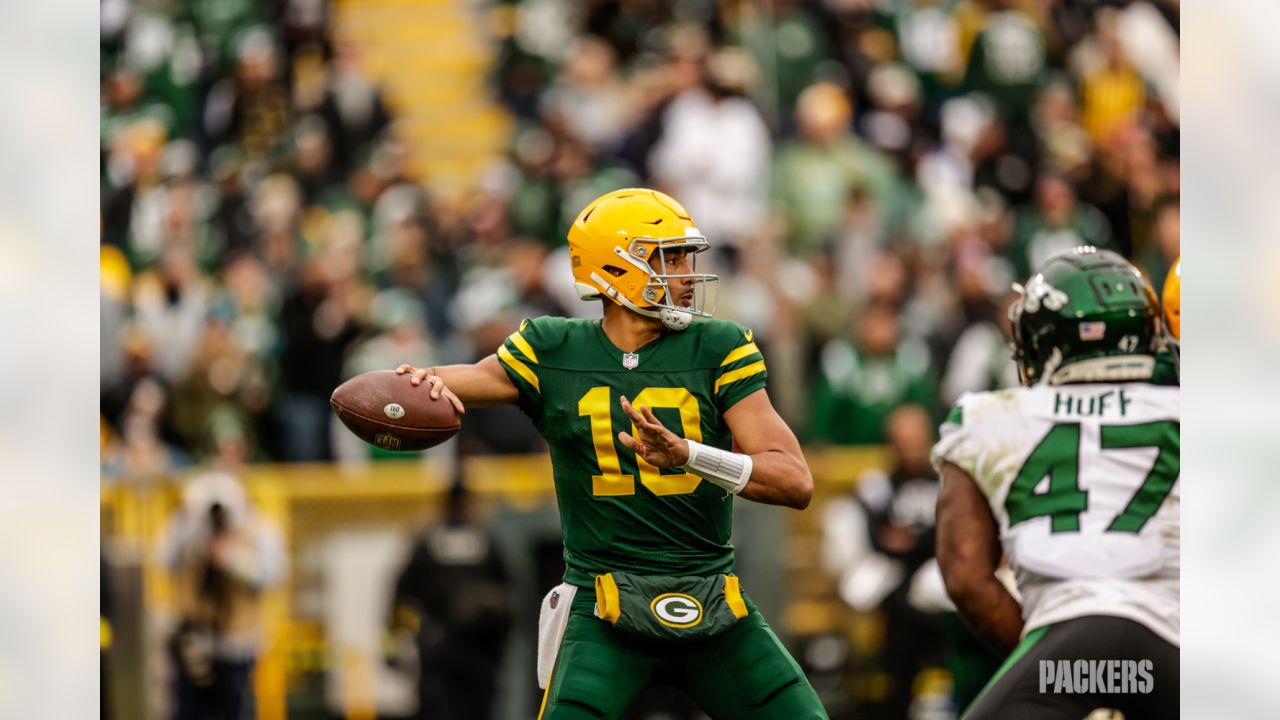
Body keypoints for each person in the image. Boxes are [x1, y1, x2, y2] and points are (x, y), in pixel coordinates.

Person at [395, 188, 827, 719]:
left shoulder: (719, 346)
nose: (687, 273)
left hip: (712, 596)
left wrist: (691, 454)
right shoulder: (552, 348)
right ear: (616, 267)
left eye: (685, 257)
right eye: (668, 257)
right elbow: (469, 379)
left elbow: (795, 481)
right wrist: (416, 381)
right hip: (603, 605)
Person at [931, 246, 1179, 718]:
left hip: (1068, 637)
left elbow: (965, 574)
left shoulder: (989, 416)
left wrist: (1050, 658)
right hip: (1176, 644)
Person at [161, 471, 286, 720]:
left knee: (234, 709)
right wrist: (188, 526)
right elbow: (164, 559)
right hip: (195, 641)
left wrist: (231, 558)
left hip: (238, 643)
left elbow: (273, 575)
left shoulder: (258, 529)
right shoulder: (190, 529)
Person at [387, 482, 512, 720]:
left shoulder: (428, 541)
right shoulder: (486, 540)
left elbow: (402, 595)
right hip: (471, 652)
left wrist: (394, 643)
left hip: (445, 648)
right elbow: (507, 593)